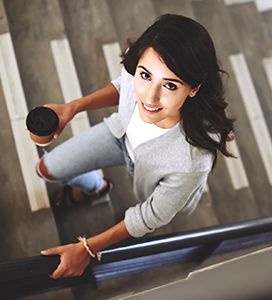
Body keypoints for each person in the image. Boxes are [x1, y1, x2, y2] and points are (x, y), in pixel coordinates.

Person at [37, 14, 235, 279]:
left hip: (152, 171)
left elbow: (150, 216)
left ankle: (97, 188)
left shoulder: (192, 161)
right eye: (145, 75)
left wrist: (86, 247)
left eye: (170, 85)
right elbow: (126, 87)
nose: (149, 97)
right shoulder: (142, 58)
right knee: (46, 170)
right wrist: (73, 108)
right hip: (121, 136)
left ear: (193, 88)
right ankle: (98, 187)